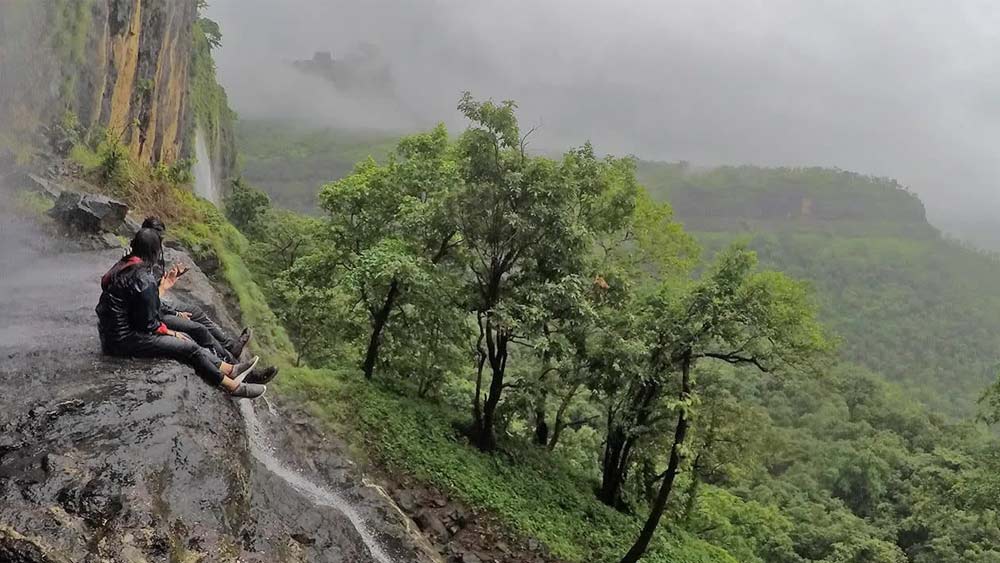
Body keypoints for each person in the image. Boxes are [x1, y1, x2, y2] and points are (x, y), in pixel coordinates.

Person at [96, 228, 267, 398]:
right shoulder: (143, 278)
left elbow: (139, 308)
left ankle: (230, 369)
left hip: (113, 333)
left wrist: (162, 293)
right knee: (188, 347)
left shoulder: (125, 264)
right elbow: (147, 323)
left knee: (187, 339)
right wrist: (170, 331)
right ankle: (232, 387)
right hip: (122, 340)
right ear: (154, 251)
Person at [140, 217, 254, 365]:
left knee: (195, 311)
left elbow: (153, 289)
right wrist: (175, 313)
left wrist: (170, 279)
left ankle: (231, 347)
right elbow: (146, 299)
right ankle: (230, 363)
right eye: (158, 239)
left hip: (156, 304)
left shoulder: (151, 253)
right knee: (197, 329)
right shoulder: (140, 264)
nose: (160, 243)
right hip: (150, 313)